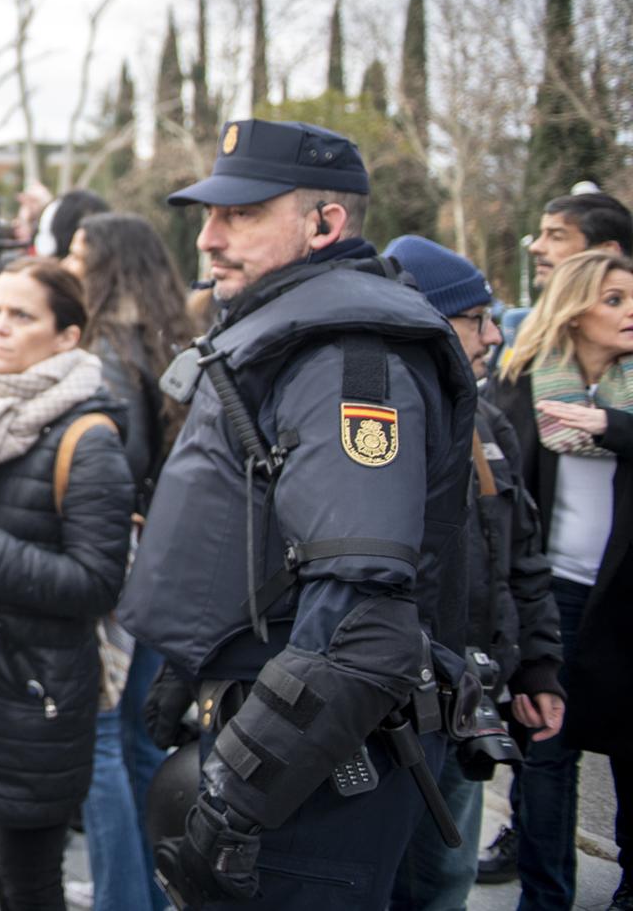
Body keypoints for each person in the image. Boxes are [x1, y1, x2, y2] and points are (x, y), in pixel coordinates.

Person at [119, 119, 478, 911]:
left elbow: (362, 626)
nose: (210, 237)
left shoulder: (350, 357)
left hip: (315, 771)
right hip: (279, 736)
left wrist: (240, 795)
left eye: (243, 214)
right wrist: (193, 668)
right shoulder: (285, 333)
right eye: (209, 215)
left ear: (326, 223)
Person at [0, 259, 134, 911]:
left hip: (36, 693)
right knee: (2, 870)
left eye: (22, 316)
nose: (0, 328)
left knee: (32, 885)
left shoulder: (88, 439)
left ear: (67, 336)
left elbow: (97, 583)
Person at [381, 236, 565, 911]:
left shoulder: (487, 424)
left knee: (443, 884)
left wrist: (538, 668)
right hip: (386, 714)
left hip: (467, 704)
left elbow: (522, 558)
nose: (492, 335)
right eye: (474, 319)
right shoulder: (375, 424)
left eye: (492, 318)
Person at [489, 249, 633, 911]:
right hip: (553, 598)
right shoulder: (522, 384)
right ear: (573, 312)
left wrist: (613, 426)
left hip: (625, 598)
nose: (631, 312)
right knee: (546, 755)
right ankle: (545, 899)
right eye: (614, 300)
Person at [65, 213, 193, 911]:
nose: (66, 261)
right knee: (145, 742)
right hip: (164, 557)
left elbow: (117, 459)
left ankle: (122, 896)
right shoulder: (173, 334)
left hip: (124, 552)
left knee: (102, 738)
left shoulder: (110, 348)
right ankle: (148, 887)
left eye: (77, 254)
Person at [498, 190, 632, 349]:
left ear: (606, 252)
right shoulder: (518, 339)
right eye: (541, 235)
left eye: (557, 237)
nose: (535, 247)